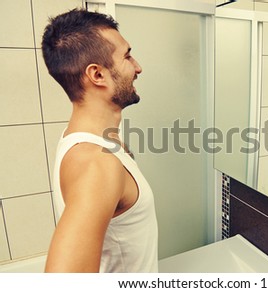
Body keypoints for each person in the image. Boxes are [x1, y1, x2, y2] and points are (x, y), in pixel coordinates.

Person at [41, 8, 158, 272]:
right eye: (127, 56)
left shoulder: (95, 142)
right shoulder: (95, 162)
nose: (138, 67)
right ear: (97, 75)